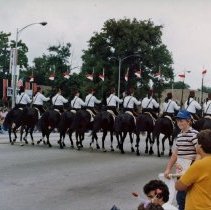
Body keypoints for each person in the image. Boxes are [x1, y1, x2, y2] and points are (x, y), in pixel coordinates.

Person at [164, 109, 199, 210]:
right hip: (180, 171)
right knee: (181, 198)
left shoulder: (194, 134)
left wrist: (192, 169)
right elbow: (175, 154)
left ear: (189, 121)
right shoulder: (179, 136)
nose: (179, 123)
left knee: (184, 197)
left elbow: (199, 153)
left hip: (190, 170)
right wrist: (168, 169)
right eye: (178, 120)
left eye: (181, 120)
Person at [175, 129, 211, 210]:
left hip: (197, 207)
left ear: (200, 146)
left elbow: (179, 186)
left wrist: (183, 175)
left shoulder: (199, 165)